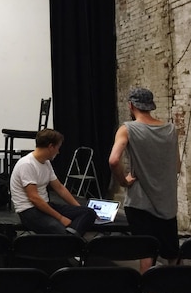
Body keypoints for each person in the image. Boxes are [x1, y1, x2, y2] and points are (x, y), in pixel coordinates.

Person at [109, 87, 180, 274]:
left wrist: (124, 181)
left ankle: (148, 290)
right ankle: (173, 288)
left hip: (139, 202)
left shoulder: (127, 129)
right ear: (151, 106)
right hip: (167, 201)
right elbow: (177, 166)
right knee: (171, 253)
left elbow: (114, 160)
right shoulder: (171, 129)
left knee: (146, 253)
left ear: (131, 105)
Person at [10, 128, 97, 235]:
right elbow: (34, 198)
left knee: (88, 213)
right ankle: (70, 240)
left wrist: (79, 208)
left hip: (45, 206)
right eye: (58, 148)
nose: (58, 152)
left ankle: (71, 239)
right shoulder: (27, 164)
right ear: (51, 147)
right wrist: (60, 218)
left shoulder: (46, 162)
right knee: (60, 230)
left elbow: (59, 188)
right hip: (29, 211)